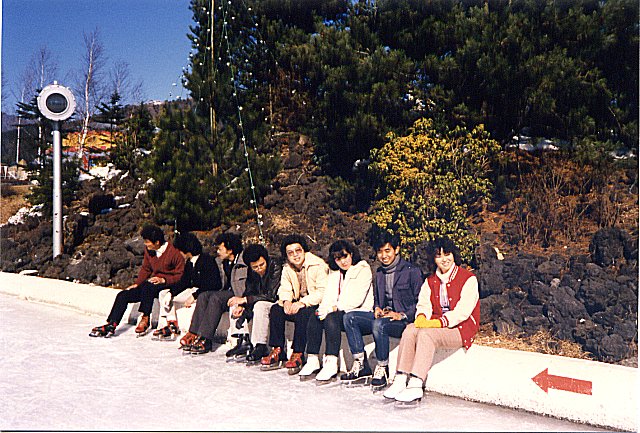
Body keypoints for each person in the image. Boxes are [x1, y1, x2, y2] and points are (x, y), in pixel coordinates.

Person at [383, 237, 480, 404]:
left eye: (447, 254)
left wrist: (439, 323)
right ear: (433, 259)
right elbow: (424, 304)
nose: (444, 259)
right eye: (439, 256)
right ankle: (401, 377)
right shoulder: (430, 281)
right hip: (437, 326)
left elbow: (463, 312)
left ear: (454, 255)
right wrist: (422, 316)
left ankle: (416, 382)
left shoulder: (468, 278)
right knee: (410, 329)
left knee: (427, 334)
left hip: (460, 329)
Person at [341, 232, 422, 390]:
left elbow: (421, 302)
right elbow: (378, 298)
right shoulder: (379, 272)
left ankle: (382, 368)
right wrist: (377, 308)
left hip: (403, 321)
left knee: (379, 325)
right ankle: (361, 364)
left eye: (387, 251)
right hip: (385, 317)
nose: (384, 256)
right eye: (380, 252)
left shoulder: (411, 271)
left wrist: (401, 315)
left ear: (396, 249)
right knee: (349, 317)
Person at [298, 240, 373, 384]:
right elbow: (329, 296)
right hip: (340, 312)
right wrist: (323, 308)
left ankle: (331, 361)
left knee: (331, 318)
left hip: (358, 313)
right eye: (338, 259)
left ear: (351, 254)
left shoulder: (362, 269)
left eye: (345, 256)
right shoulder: (335, 274)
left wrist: (332, 308)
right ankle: (313, 359)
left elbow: (356, 300)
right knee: (316, 316)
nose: (342, 262)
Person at [89, 224, 185, 338]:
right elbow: (146, 269)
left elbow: (180, 276)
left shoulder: (174, 253)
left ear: (157, 242)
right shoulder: (149, 251)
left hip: (167, 284)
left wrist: (164, 279)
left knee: (148, 286)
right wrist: (137, 284)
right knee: (123, 295)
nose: (145, 244)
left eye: (147, 242)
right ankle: (112, 323)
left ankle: (145, 317)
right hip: (150, 286)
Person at [261, 234, 328, 374]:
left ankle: (298, 352)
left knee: (304, 314)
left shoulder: (318, 265)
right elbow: (285, 288)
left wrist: (302, 303)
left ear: (304, 250)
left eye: (298, 251)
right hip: (297, 302)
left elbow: (322, 292)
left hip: (314, 303)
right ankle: (277, 349)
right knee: (276, 309)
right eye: (290, 253)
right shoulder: (287, 268)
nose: (295, 255)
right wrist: (286, 301)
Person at [182, 232, 247, 355]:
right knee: (204, 296)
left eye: (220, 249)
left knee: (216, 298)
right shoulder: (224, 262)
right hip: (228, 291)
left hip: (239, 293)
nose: (218, 252)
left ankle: (206, 338)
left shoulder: (243, 262)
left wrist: (242, 300)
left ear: (230, 250)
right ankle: (194, 332)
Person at [153, 232, 222, 341]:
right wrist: (171, 292)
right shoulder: (190, 263)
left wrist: (194, 296)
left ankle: (187, 330)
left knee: (192, 295)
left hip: (202, 292)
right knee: (163, 293)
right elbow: (184, 282)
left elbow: (212, 284)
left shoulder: (207, 261)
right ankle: (171, 322)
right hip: (192, 290)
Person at [224, 243, 282, 363]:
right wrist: (241, 305)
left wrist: (246, 300)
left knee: (260, 306)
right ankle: (243, 339)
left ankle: (260, 345)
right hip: (259, 299)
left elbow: (271, 295)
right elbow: (249, 290)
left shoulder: (275, 265)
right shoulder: (252, 271)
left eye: (262, 265)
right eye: (255, 267)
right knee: (235, 303)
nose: (259, 269)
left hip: (276, 301)